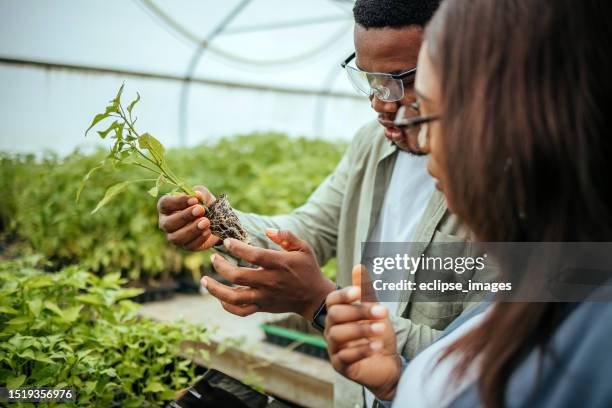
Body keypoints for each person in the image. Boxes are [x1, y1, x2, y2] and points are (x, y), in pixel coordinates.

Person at [157, 1, 494, 405]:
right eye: (370, 79)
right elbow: (310, 228)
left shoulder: (504, 184)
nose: (380, 103)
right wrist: (217, 221)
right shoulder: (371, 144)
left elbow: (488, 359)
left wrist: (322, 302)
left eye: (403, 80)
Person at [324, 0, 612, 406]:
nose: (421, 140)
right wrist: (394, 385)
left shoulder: (589, 332)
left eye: (426, 112)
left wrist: (316, 299)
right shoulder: (540, 283)